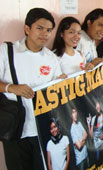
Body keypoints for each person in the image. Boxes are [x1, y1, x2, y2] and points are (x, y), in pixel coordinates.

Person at [0, 8, 66, 170]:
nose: (45, 34)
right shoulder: (7, 51)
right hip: (16, 129)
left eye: (49, 30)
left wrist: (62, 83)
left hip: (43, 129)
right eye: (40, 28)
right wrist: (11, 88)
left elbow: (57, 89)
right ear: (27, 29)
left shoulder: (51, 58)